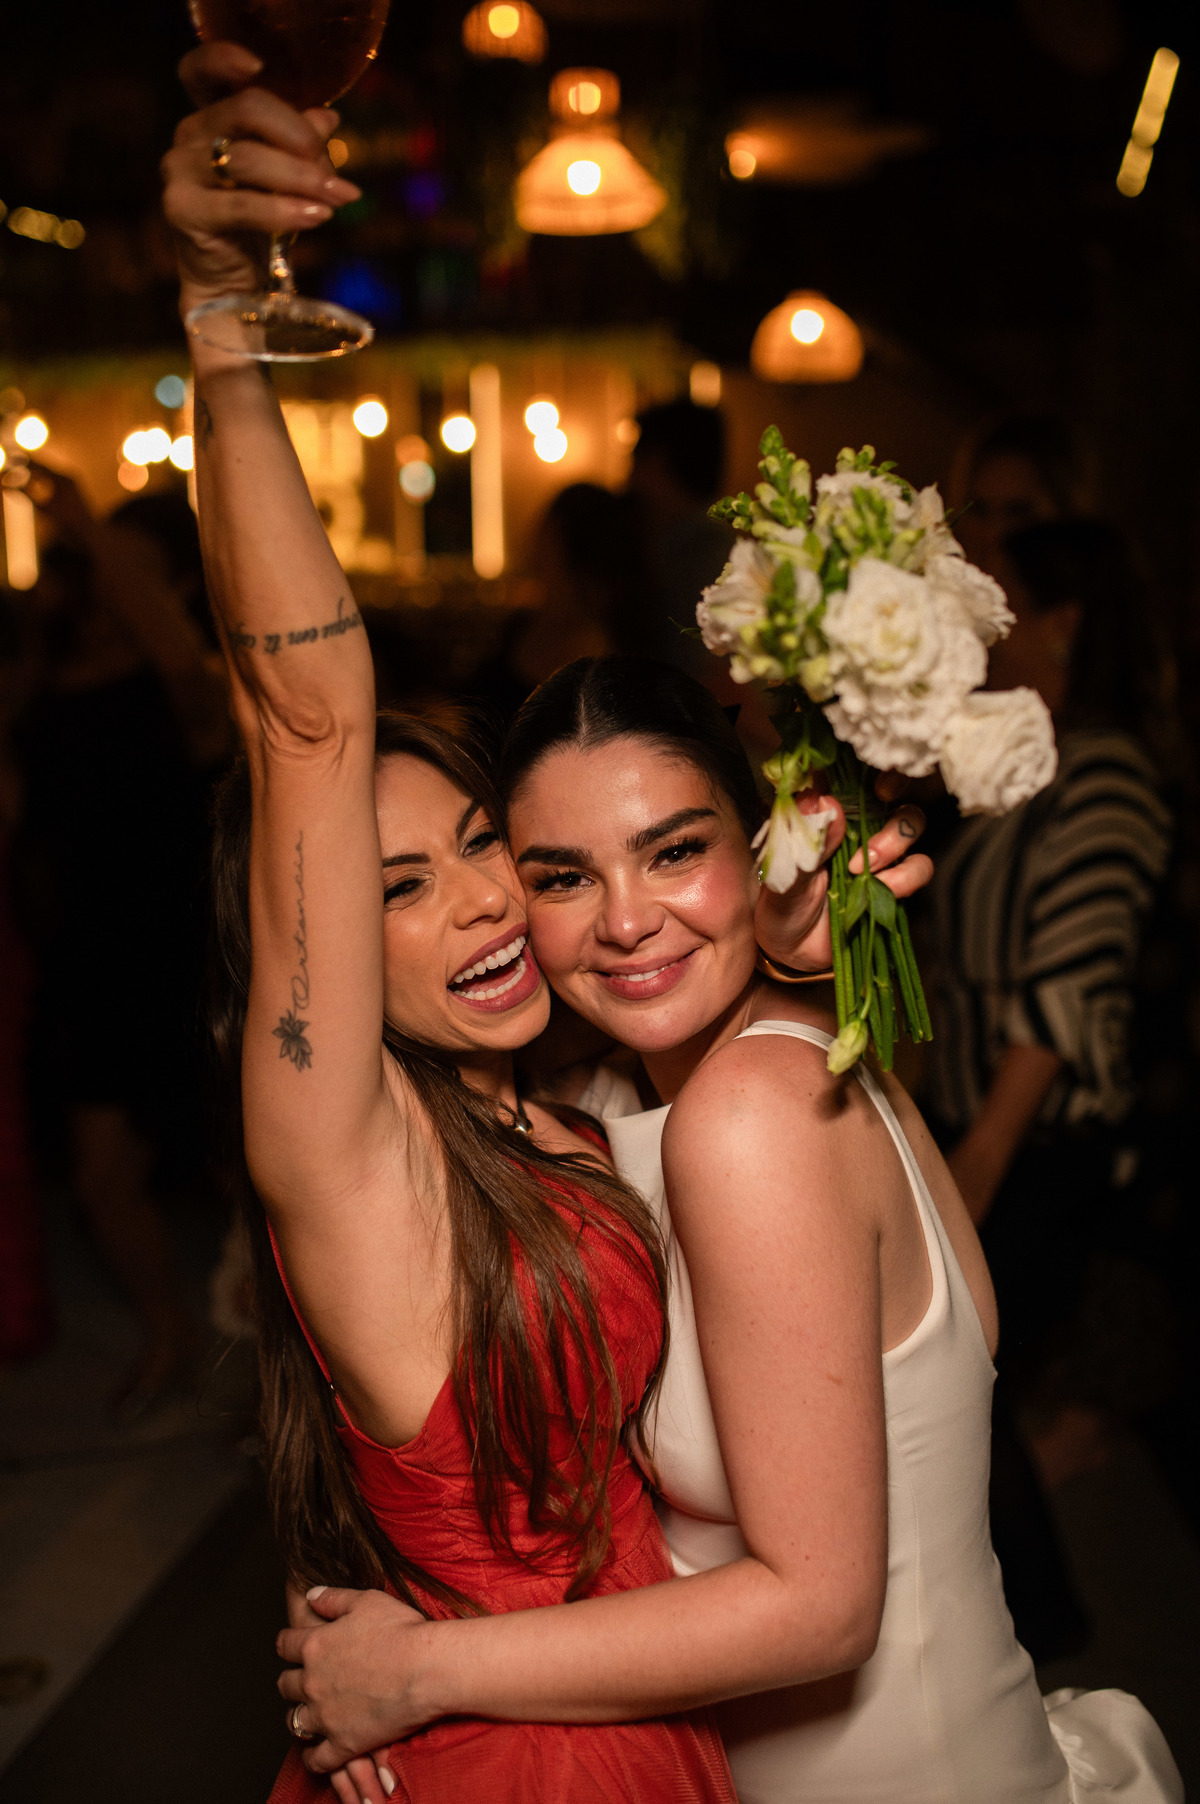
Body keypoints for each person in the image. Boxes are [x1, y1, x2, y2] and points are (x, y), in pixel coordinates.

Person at [162, 52, 934, 1804]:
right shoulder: (344, 1135)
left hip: (618, 1695)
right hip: (513, 1758)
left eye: (483, 847)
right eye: (395, 890)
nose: (484, 900)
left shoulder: (544, 1091)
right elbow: (307, 721)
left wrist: (796, 950)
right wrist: (219, 327)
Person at [277, 656, 1180, 1804]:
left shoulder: (751, 1114)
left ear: (760, 846)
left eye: (673, 851)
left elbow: (823, 1610)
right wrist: (344, 1593)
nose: (624, 920)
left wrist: (413, 1671)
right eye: (565, 876)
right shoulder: (625, 1099)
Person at [928, 521, 1173, 1478]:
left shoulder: (1105, 772)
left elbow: (1066, 985)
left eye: (1008, 607)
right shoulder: (1038, 761)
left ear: (1065, 623)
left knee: (977, 1428)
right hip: (983, 1129)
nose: (985, 632)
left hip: (1036, 1149)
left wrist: (979, 1166)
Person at [11, 466, 229, 1411]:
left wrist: (87, 524)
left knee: (249, 1184)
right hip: (89, 963)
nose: (107, 583)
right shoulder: (54, 675)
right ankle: (172, 1332)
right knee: (102, 1178)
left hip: (185, 962)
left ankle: (294, 1378)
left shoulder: (185, 683)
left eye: (131, 568)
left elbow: (183, 665)